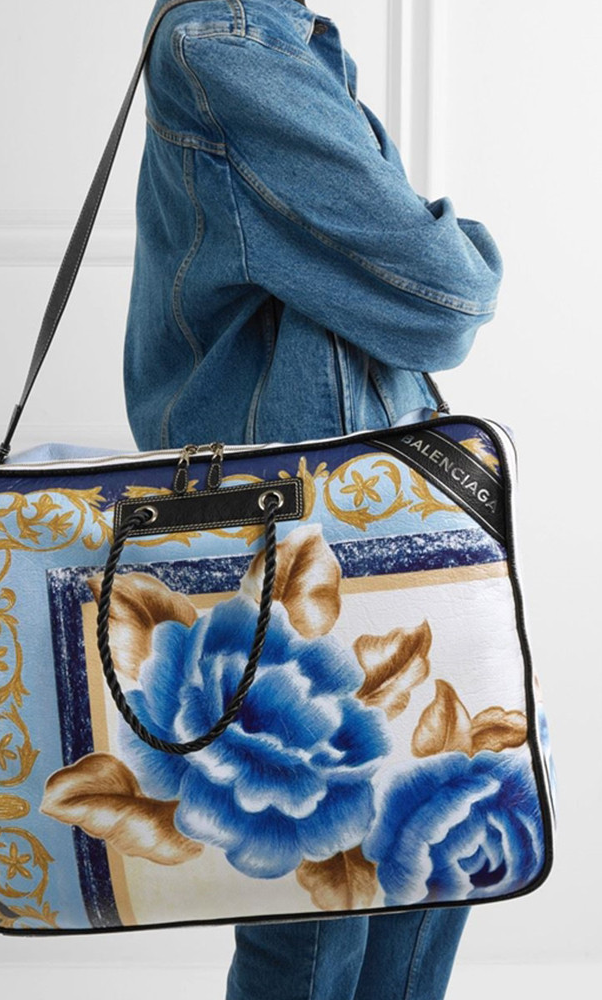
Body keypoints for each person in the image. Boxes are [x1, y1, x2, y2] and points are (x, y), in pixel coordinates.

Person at [123, 1, 503, 997]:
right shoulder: (229, 43)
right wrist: (468, 247)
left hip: (370, 517)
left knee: (423, 861)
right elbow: (445, 294)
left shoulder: (283, 39)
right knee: (321, 895)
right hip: (303, 536)